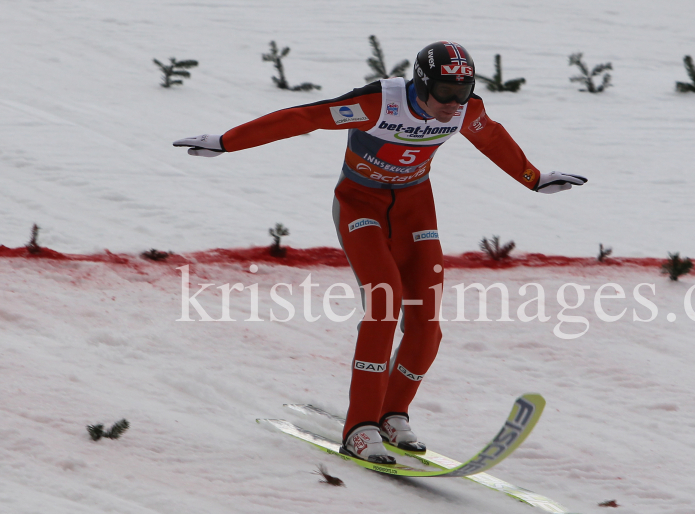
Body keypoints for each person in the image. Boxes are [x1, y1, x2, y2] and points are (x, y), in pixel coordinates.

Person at [174, 41, 587, 464]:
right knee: (384, 303)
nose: (453, 104)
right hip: (360, 205)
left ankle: (392, 413)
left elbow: (492, 139)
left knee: (427, 322)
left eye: (463, 92)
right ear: (421, 84)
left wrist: (533, 179)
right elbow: (304, 118)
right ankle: (359, 427)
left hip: (414, 209)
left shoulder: (466, 108)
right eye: (444, 92)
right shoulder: (378, 103)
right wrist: (227, 141)